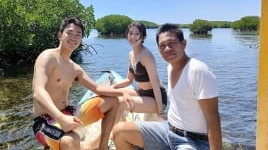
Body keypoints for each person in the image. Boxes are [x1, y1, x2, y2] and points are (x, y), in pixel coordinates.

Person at [112, 23, 222, 150]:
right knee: (119, 131)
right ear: (158, 49)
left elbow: (213, 119)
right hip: (168, 129)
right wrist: (163, 114)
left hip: (192, 140)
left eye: (172, 43)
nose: (167, 49)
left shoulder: (198, 71)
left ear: (184, 43)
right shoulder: (170, 67)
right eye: (162, 46)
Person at [32, 17, 133, 150]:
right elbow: (38, 92)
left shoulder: (74, 68)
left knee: (113, 101)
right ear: (60, 35)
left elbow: (97, 88)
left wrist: (123, 92)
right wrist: (60, 117)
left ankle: (103, 146)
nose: (74, 37)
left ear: (81, 39)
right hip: (45, 121)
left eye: (78, 34)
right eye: (69, 33)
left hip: (68, 113)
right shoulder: (48, 57)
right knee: (72, 140)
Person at [111, 22, 167, 120]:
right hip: (141, 92)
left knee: (118, 103)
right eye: (130, 33)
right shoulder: (131, 54)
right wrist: (113, 87)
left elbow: (155, 85)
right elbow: (129, 80)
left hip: (156, 98)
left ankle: (122, 131)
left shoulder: (146, 56)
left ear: (143, 37)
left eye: (137, 34)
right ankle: (122, 128)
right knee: (112, 96)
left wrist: (161, 111)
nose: (133, 37)